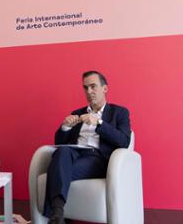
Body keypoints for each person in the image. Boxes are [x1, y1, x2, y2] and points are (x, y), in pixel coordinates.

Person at [43, 71, 131, 224]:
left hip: (98, 158)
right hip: (74, 154)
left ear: (105, 88)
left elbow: (124, 141)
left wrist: (99, 123)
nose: (89, 92)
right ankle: (58, 214)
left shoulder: (119, 113)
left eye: (93, 86)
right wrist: (65, 127)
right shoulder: (77, 113)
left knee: (58, 170)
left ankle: (56, 215)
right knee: (62, 152)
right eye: (85, 88)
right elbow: (59, 142)